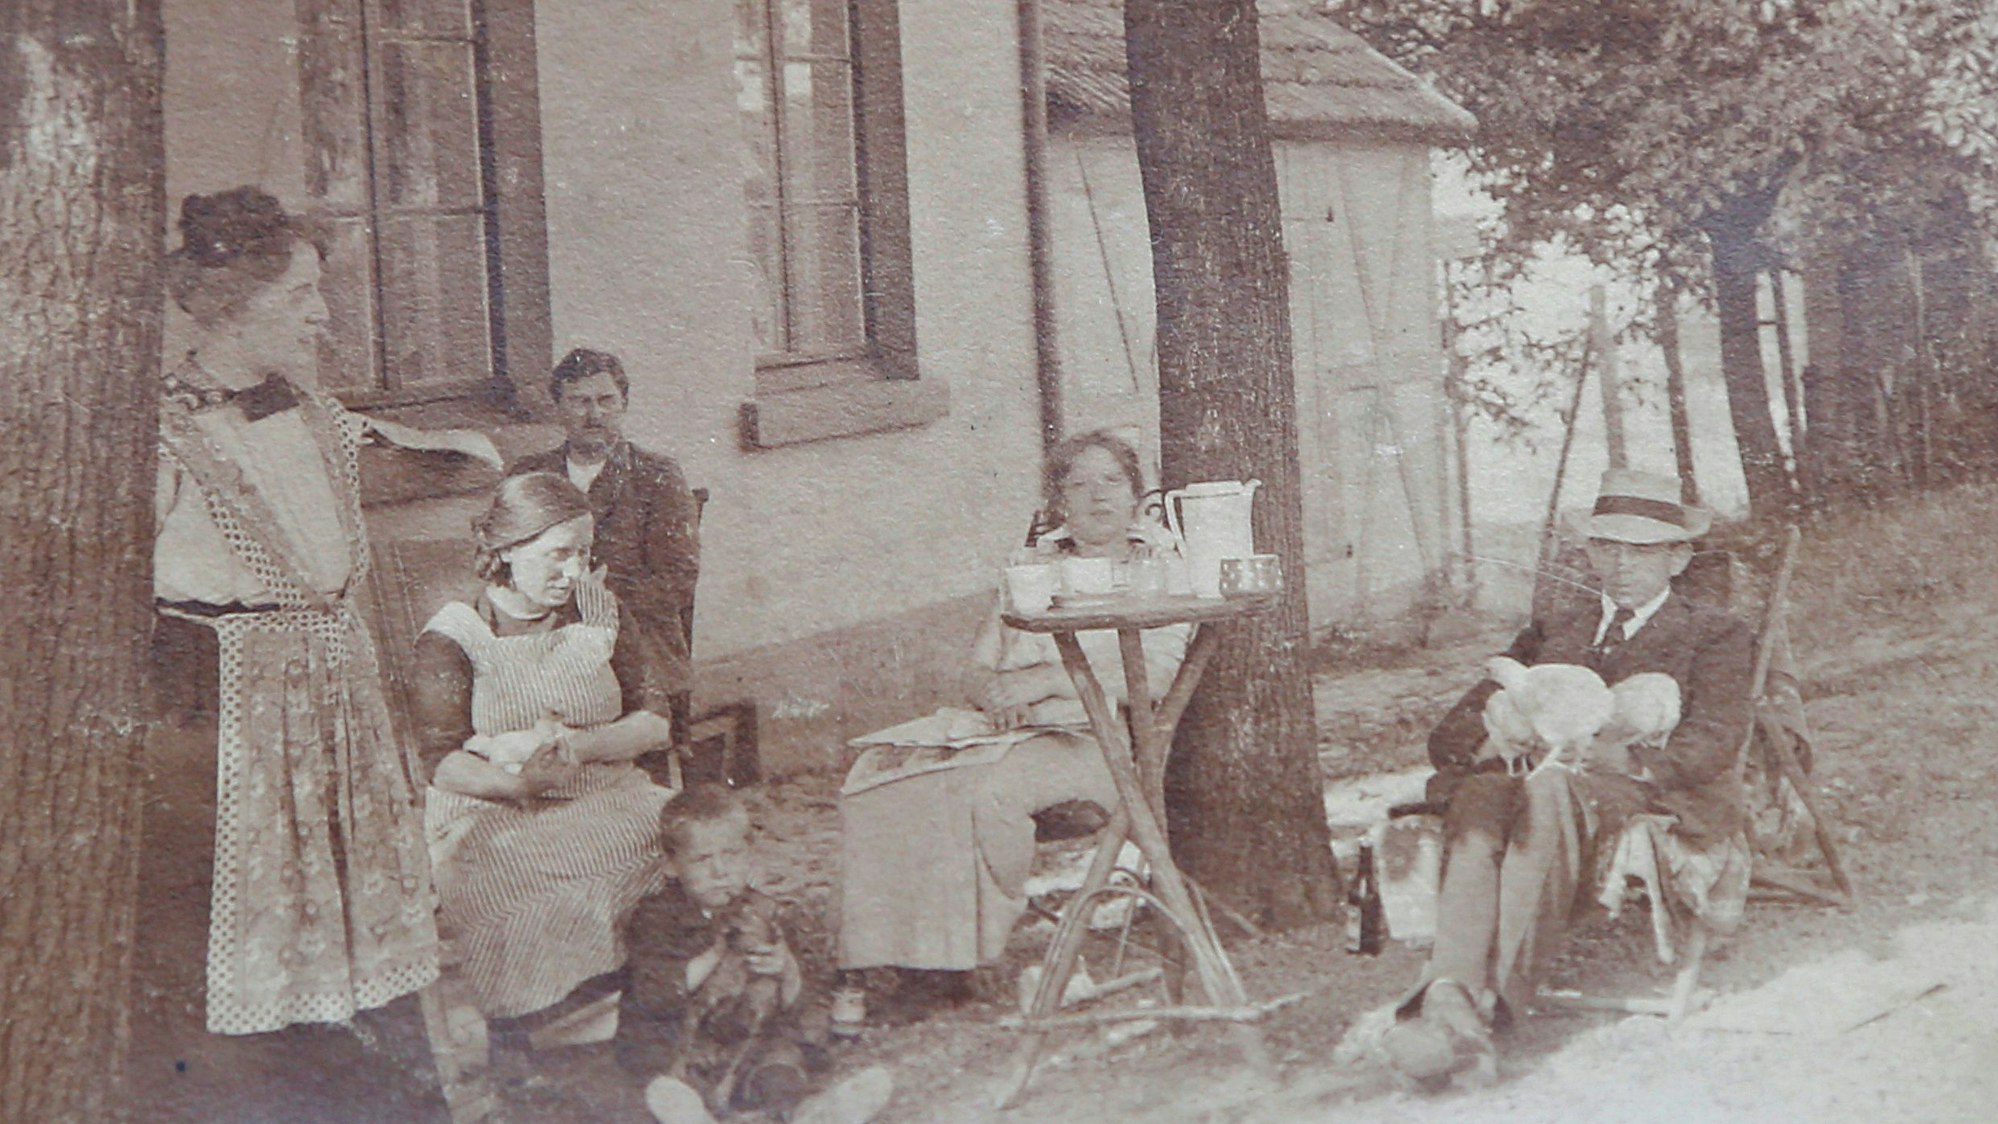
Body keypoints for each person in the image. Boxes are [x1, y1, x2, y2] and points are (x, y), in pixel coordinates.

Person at [148, 186, 446, 1043]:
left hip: (338, 705)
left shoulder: (315, 414)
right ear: (232, 309)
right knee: (251, 926)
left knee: (364, 927)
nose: (321, 316)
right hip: (227, 712)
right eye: (299, 297)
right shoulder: (161, 431)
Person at [1383, 468, 1754, 1086]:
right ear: (1586, 551)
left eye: (1641, 550)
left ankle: (1492, 1006)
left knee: (1548, 792)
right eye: (1605, 547)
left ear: (1678, 556)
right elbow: (1450, 734)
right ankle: (1452, 996)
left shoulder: (1713, 633)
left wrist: (1631, 760)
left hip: (1642, 788)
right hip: (1538, 781)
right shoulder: (1558, 628)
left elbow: (1716, 741)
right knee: (1481, 790)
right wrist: (1500, 728)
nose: (1620, 565)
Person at [834, 430, 1189, 1021]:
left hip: (1093, 742)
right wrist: (997, 695)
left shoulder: (1159, 566)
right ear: (1059, 502)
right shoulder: (1033, 565)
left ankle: (951, 961)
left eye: (1112, 482)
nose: (1097, 496)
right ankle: (907, 960)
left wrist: (1048, 682)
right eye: (1079, 484)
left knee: (976, 793)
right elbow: (977, 664)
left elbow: (1153, 678)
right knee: (880, 781)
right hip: (1004, 733)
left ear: (1135, 496)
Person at [411, 472, 678, 1021]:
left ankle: (652, 996)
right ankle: (544, 1017)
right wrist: (519, 783)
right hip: (496, 809)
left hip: (608, 791)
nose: (576, 571)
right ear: (507, 549)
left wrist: (579, 748)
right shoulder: (455, 635)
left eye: (584, 552)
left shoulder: (600, 611)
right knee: (522, 877)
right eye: (559, 554)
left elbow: (655, 721)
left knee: (680, 834)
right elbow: (440, 762)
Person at [617, 785, 894, 1124]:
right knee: (667, 1090)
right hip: (684, 1046)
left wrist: (785, 967)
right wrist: (716, 953)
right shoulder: (657, 916)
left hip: (751, 1044)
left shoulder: (764, 912)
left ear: (748, 853)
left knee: (780, 1068)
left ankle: (806, 1114)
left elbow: (802, 1005)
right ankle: (695, 1115)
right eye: (703, 859)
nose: (720, 871)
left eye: (731, 855)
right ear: (672, 866)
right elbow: (656, 996)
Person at [512, 347, 701, 694]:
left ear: (623, 405)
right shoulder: (530, 475)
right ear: (558, 409)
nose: (594, 414)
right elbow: (501, 563)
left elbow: (677, 580)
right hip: (543, 639)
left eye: (606, 400)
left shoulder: (656, 475)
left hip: (635, 642)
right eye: (579, 401)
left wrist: (592, 606)